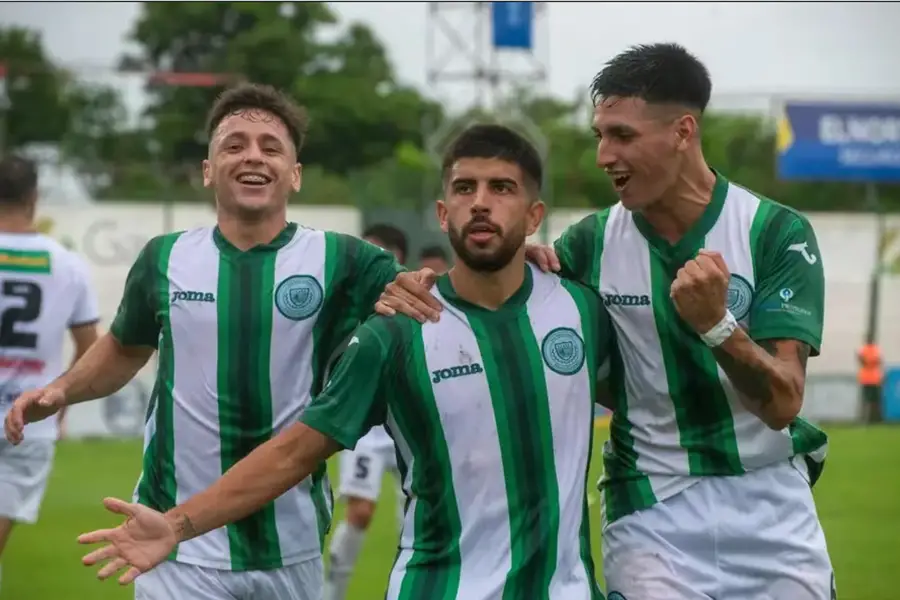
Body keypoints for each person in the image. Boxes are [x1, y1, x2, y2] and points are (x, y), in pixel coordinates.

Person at [75, 124, 612, 600]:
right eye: (465, 188)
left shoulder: (582, 309)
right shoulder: (397, 334)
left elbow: (655, 404)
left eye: (502, 188)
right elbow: (291, 453)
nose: (481, 202)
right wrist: (177, 525)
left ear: (534, 214)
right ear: (442, 213)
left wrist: (704, 329)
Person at [376, 44, 835, 600]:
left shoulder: (774, 232)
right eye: (599, 135)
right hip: (651, 506)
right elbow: (498, 291)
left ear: (683, 132)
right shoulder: (587, 246)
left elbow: (783, 402)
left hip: (770, 503)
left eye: (622, 135)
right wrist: (412, 287)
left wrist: (716, 324)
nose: (603, 155)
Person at [4, 83, 407, 600]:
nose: (252, 156)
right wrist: (63, 389)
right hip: (170, 542)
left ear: (295, 174)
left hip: (292, 543)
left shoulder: (346, 261)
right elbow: (125, 348)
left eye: (271, 146)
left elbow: (438, 297)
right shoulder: (163, 258)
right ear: (208, 170)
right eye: (234, 145)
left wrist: (523, 264)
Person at [0, 156, 100, 593]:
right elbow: (90, 350)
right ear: (34, 198)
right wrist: (61, 398)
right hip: (28, 420)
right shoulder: (68, 264)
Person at [325, 223, 407, 600]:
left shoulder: (419, 297)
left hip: (410, 425)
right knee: (359, 513)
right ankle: (332, 593)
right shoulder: (346, 300)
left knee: (412, 518)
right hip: (366, 430)